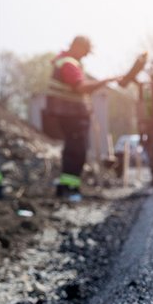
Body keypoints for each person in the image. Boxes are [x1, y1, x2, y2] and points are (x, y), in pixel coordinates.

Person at [45, 36, 121, 201]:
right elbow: (81, 87)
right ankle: (70, 189)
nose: (85, 55)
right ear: (77, 47)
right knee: (76, 151)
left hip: (69, 114)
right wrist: (105, 81)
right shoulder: (69, 64)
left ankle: (67, 187)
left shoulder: (64, 61)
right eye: (85, 51)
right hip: (70, 115)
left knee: (73, 150)